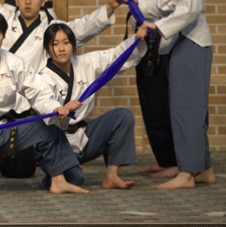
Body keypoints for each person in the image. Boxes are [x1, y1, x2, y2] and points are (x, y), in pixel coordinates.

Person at [72, 0, 178, 178]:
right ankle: (164, 158)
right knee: (149, 96)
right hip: (144, 31)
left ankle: (175, 161)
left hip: (163, 33)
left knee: (164, 97)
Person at [0, 11, 88, 197]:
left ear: (3, 35)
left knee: (48, 124)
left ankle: (58, 180)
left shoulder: (13, 62)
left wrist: (54, 107)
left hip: (7, 128)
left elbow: (37, 90)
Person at [118, 0, 216, 190]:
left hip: (191, 42)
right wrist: (136, 0)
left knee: (186, 109)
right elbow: (164, 3)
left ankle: (187, 173)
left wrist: (158, 27)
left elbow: (189, 9)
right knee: (189, 108)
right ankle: (204, 169)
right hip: (182, 43)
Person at [0, 0, 119, 178]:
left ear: (43, 0)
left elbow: (82, 27)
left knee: (22, 169)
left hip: (31, 106)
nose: (28, 1)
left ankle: (53, 157)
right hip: (1, 101)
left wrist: (109, 8)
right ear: (16, 0)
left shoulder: (52, 28)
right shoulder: (3, 23)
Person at [37, 22, 148, 190]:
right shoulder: (42, 78)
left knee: (122, 117)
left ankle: (111, 176)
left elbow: (115, 56)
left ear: (73, 45)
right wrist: (60, 108)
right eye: (55, 44)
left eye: (66, 42)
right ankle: (54, 177)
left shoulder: (86, 63)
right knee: (75, 179)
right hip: (56, 142)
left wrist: (136, 40)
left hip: (82, 135)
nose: (61, 48)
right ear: (47, 48)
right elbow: (44, 103)